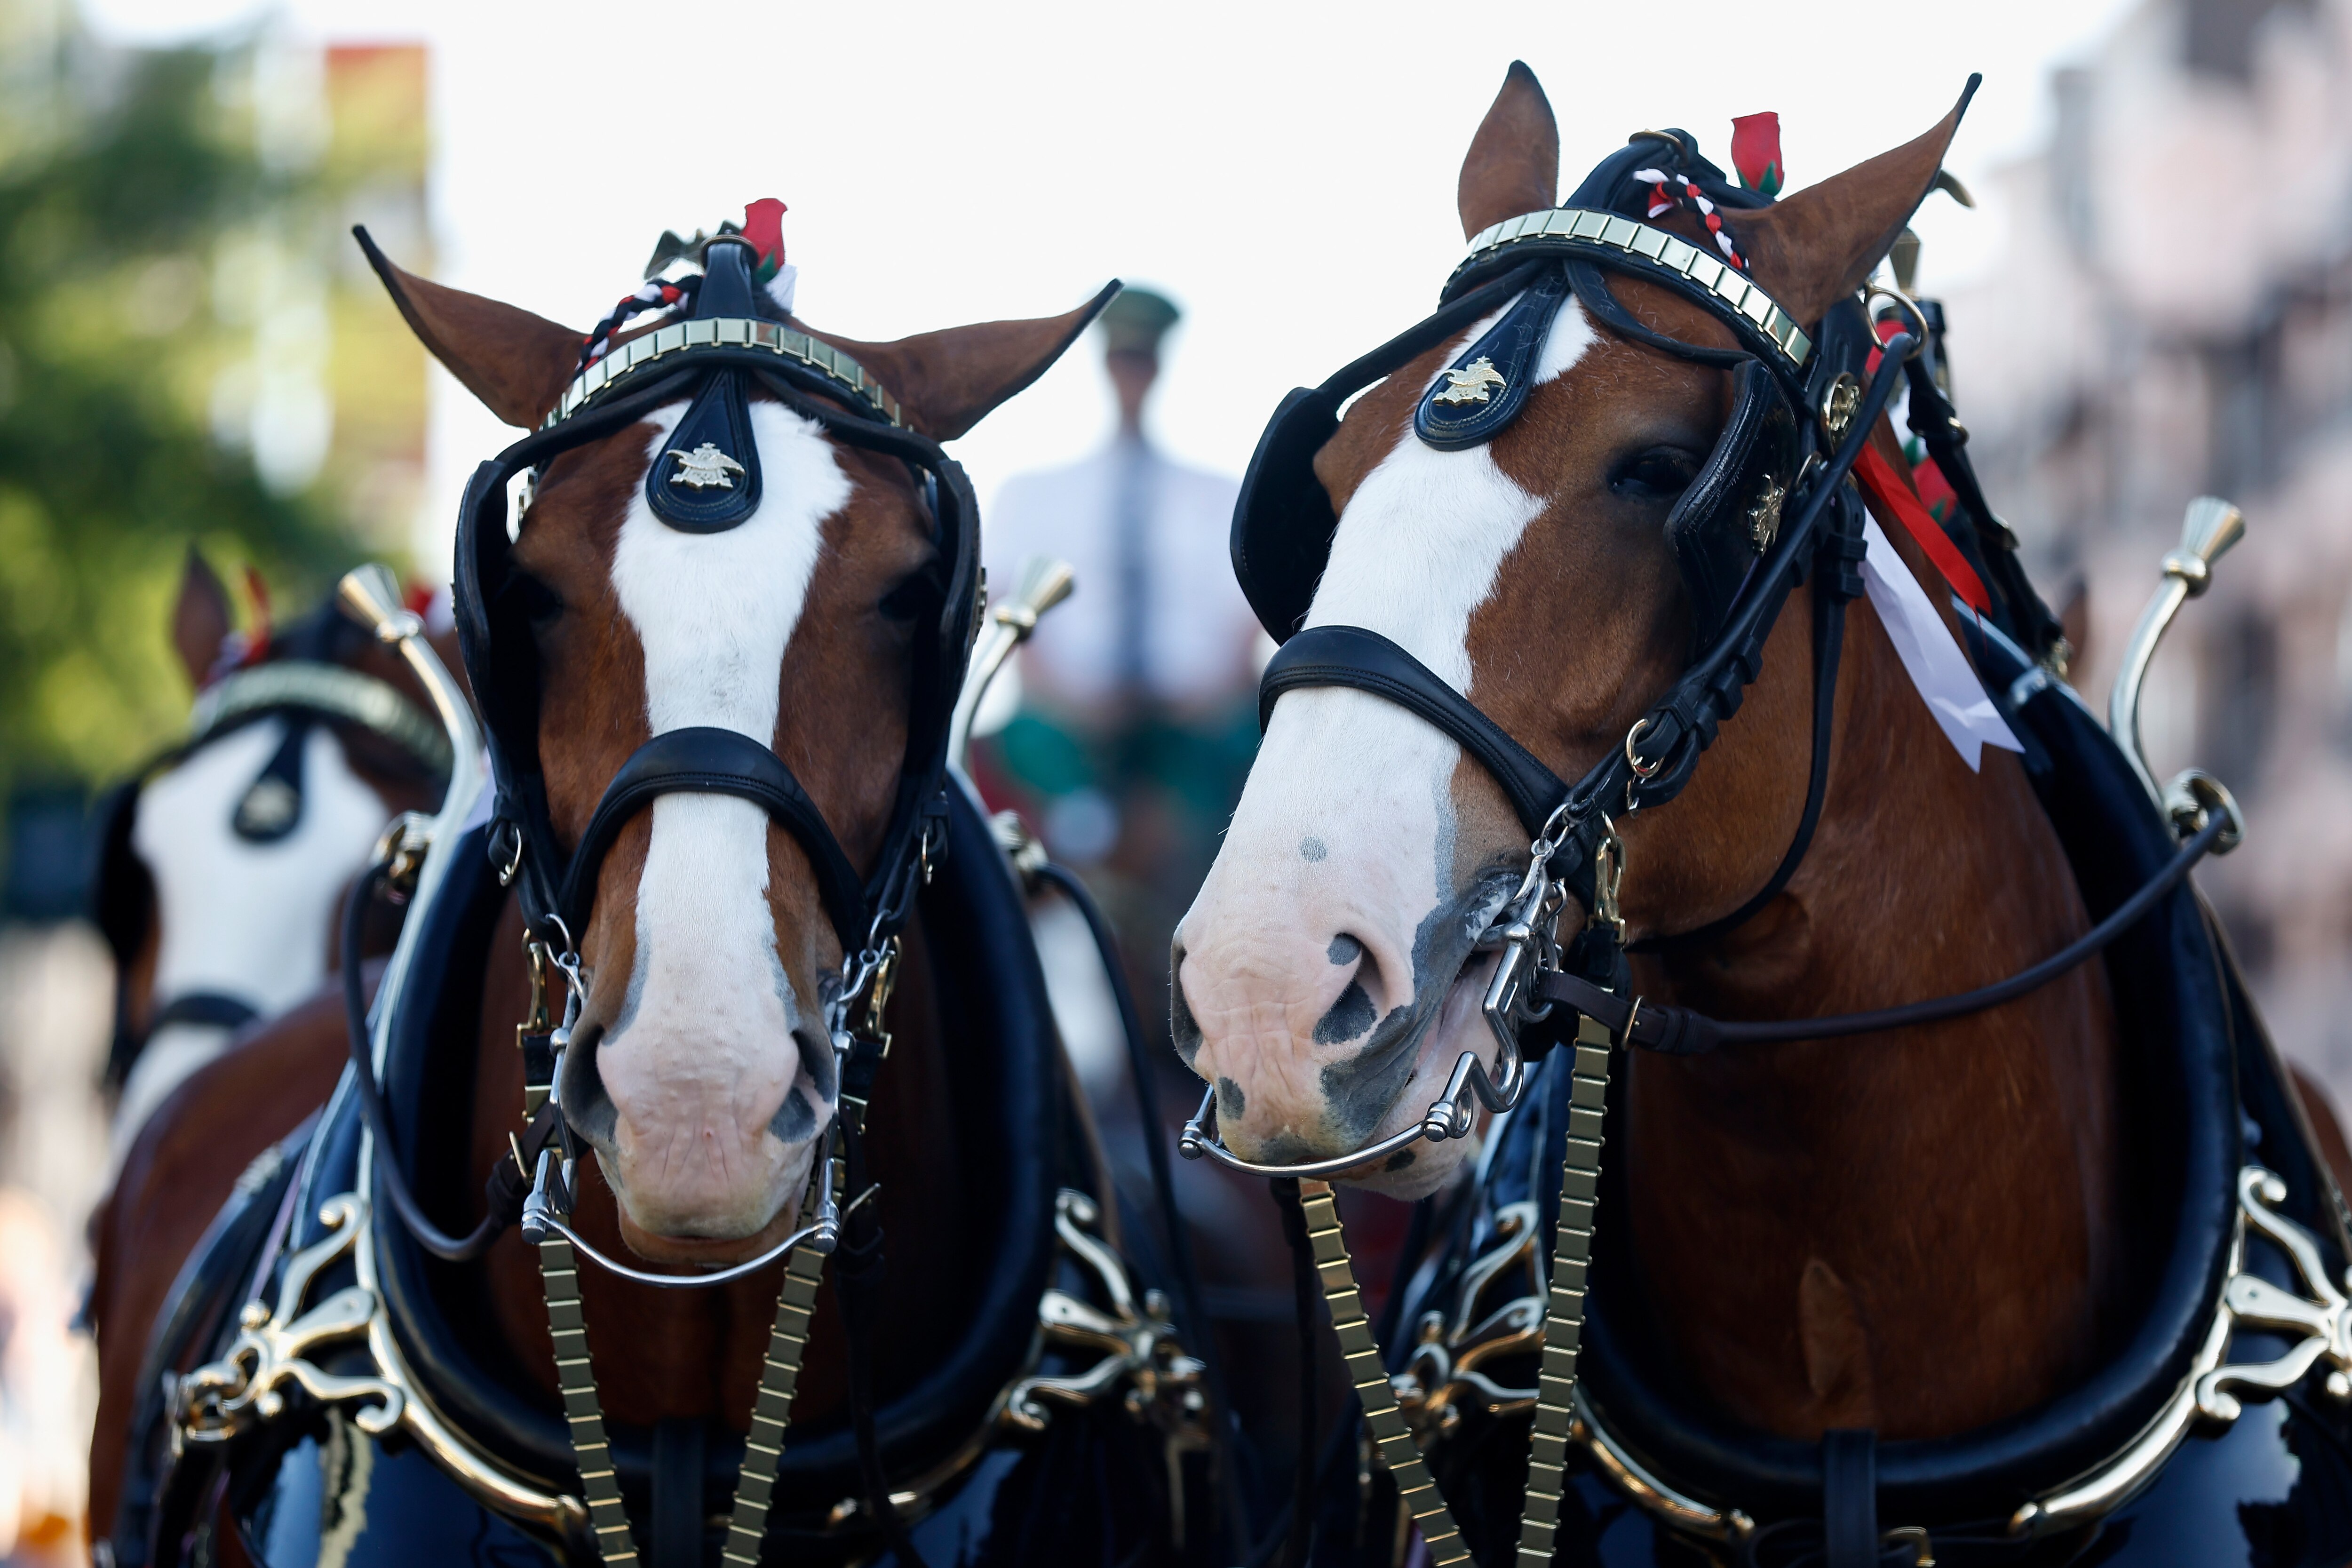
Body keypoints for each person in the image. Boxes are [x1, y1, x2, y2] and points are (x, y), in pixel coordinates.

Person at [979, 287, 1263, 1067]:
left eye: (1142, 356)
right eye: (1121, 355)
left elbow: (1247, 632)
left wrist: (1192, 706)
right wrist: (1080, 703)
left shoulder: (1217, 495)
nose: (1131, 370)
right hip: (1066, 729)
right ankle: (1068, 919)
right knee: (978, 775)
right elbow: (1013, 622)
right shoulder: (1034, 493)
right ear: (1108, 364)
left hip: (1193, 731)